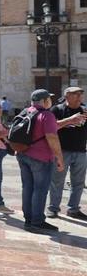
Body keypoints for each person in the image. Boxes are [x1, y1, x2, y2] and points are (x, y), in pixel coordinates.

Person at [16, 89, 65, 233]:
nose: (51, 101)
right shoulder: (46, 115)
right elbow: (52, 137)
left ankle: (28, 219)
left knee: (27, 188)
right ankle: (37, 221)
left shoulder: (25, 112)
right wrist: (59, 157)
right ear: (44, 101)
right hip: (41, 158)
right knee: (40, 190)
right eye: (49, 99)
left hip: (23, 154)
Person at [47, 86, 87, 220]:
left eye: (80, 93)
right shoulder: (57, 109)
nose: (79, 96)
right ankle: (53, 208)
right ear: (67, 96)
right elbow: (52, 126)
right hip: (62, 151)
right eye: (76, 94)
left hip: (81, 151)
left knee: (79, 182)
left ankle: (73, 209)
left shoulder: (85, 110)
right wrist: (71, 119)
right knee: (57, 181)